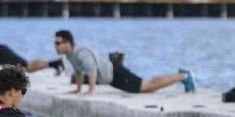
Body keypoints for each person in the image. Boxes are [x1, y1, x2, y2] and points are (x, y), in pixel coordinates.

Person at [53, 30, 194, 95]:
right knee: (149, 83)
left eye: (58, 43)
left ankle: (184, 77)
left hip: (116, 74)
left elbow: (92, 71)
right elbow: (78, 72)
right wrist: (78, 90)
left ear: (68, 43)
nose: (56, 46)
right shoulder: (70, 54)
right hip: (113, 76)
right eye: (55, 43)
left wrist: (90, 92)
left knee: (150, 87)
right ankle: (180, 75)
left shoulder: (81, 52)